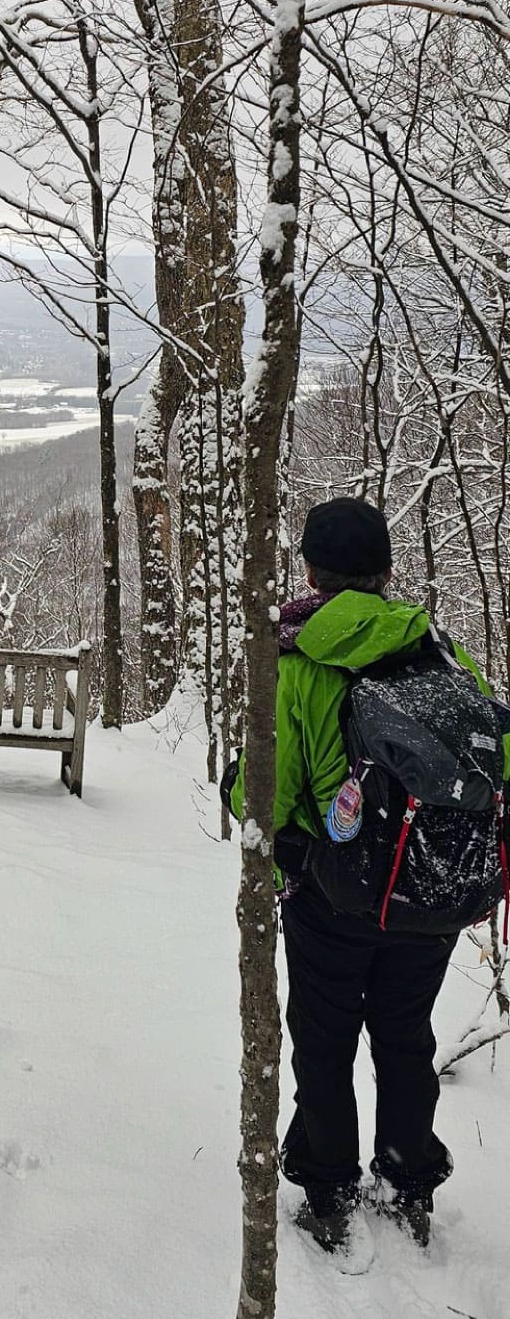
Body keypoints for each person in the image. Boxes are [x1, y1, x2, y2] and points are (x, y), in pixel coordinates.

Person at [229, 495, 509, 1250]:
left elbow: (268, 791)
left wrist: (237, 779)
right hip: (432, 889)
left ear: (311, 573)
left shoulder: (298, 661)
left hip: (334, 895)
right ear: (385, 573)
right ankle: (407, 1182)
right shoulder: (440, 647)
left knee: (324, 1039)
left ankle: (328, 1187)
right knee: (404, 1033)